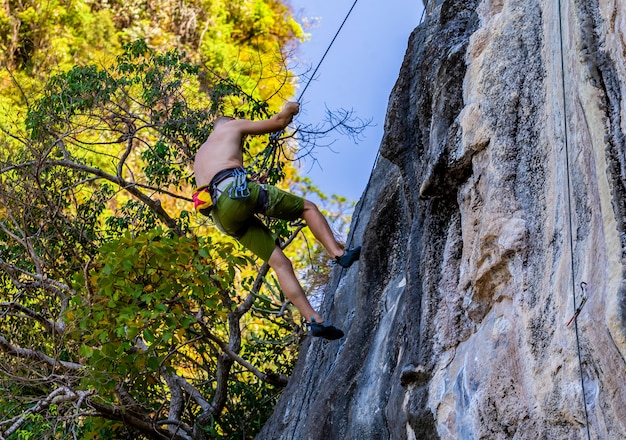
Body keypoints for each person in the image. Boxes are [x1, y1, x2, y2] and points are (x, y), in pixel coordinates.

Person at [192, 102, 360, 340]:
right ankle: (338, 253)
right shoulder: (230, 127)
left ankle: (313, 319)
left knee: (280, 263)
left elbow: (220, 174)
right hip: (235, 193)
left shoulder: (202, 153)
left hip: (220, 215)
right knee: (307, 208)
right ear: (229, 122)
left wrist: (251, 182)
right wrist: (290, 109)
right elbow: (278, 123)